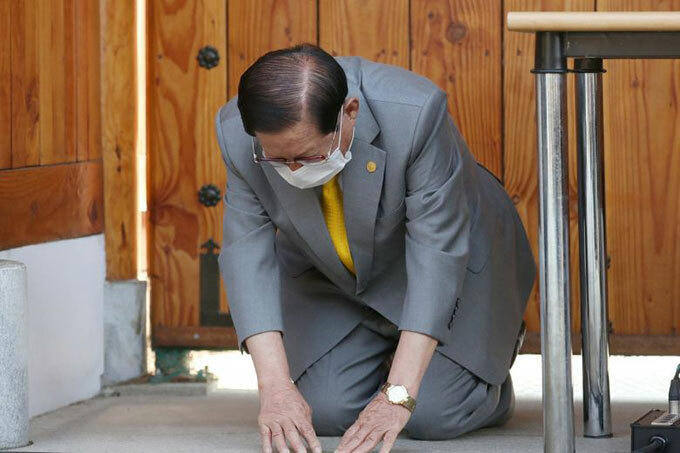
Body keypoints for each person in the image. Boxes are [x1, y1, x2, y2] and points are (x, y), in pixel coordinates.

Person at [214, 43, 536, 453]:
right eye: (279, 160)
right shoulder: (238, 133)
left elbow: (436, 254)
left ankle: (483, 376)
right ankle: (391, 358)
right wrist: (274, 388)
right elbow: (246, 257)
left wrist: (397, 396)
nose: (293, 170)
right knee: (323, 412)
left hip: (451, 260)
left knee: (431, 413)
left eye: (308, 156)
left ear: (349, 112)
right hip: (337, 274)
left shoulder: (416, 113)